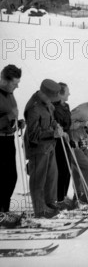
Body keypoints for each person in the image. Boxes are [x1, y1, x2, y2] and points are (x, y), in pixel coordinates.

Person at [24, 79, 63, 218]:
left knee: (52, 175)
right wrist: (53, 133)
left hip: (49, 145)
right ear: (45, 94)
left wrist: (56, 125)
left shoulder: (48, 103)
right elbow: (33, 135)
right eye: (52, 97)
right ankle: (40, 209)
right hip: (38, 148)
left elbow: (51, 119)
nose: (53, 101)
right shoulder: (34, 108)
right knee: (38, 178)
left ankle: (49, 203)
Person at [0, 65, 22, 216]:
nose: (17, 86)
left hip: (9, 140)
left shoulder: (9, 93)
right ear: (4, 80)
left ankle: (4, 211)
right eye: (15, 83)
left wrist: (17, 122)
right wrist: (9, 117)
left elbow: (9, 114)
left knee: (11, 177)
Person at [53, 83, 73, 208]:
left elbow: (69, 123)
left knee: (67, 169)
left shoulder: (66, 106)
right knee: (61, 169)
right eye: (67, 92)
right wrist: (62, 131)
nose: (69, 94)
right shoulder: (54, 107)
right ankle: (59, 198)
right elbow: (56, 123)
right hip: (58, 141)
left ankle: (64, 196)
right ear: (60, 93)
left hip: (66, 139)